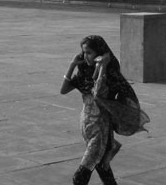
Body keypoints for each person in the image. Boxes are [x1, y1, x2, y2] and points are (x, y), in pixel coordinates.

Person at [60, 35, 150, 185]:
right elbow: (63, 90)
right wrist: (72, 65)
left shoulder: (110, 75)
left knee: (79, 177)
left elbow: (98, 94)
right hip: (87, 126)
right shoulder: (85, 73)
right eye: (84, 53)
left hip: (101, 130)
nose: (86, 56)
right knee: (104, 170)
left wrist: (102, 68)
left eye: (89, 53)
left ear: (99, 53)